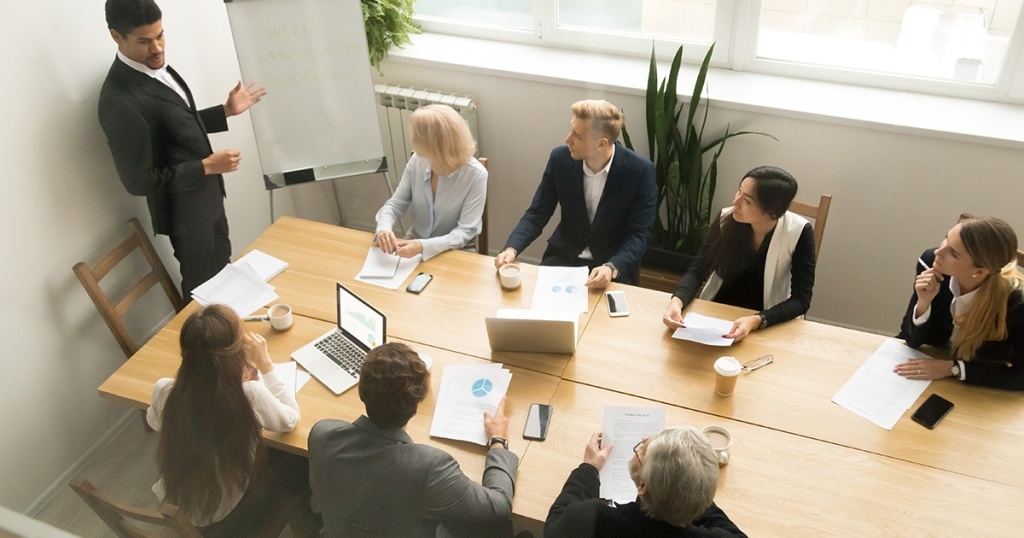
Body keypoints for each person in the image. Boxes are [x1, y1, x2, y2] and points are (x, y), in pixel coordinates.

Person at [100, 0, 266, 298]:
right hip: (185, 217)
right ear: (116, 36)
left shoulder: (157, 65)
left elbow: (172, 126)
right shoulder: (118, 101)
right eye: (144, 41)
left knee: (225, 277)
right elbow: (139, 181)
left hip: (209, 200)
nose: (158, 48)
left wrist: (225, 111)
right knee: (204, 291)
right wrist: (206, 167)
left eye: (161, 35)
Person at [308, 342, 518, 537]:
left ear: (362, 391)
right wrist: (498, 442)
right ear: (419, 399)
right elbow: (499, 506)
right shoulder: (429, 466)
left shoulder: (322, 433)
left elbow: (316, 500)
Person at [146, 304, 319, 536]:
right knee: (302, 460)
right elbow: (290, 419)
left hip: (183, 502)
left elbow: (155, 422)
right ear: (236, 353)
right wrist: (266, 365)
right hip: (230, 517)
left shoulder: (164, 390)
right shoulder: (248, 393)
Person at [494, 100, 657, 288]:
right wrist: (512, 248)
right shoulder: (560, 159)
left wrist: (612, 267)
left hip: (611, 265)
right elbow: (537, 213)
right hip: (563, 258)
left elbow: (639, 234)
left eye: (577, 135)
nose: (567, 139)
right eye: (571, 130)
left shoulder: (640, 171)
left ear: (601, 143)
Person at [663, 166, 815, 342]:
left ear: (771, 212)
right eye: (739, 191)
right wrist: (677, 301)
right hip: (716, 314)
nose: (735, 202)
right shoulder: (725, 219)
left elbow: (801, 300)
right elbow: (697, 271)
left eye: (747, 201)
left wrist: (757, 320)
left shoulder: (799, 232)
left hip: (767, 320)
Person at [895, 216, 1024, 390]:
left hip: (975, 384)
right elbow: (910, 339)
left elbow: (1020, 376)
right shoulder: (930, 265)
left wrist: (953, 368)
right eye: (946, 238)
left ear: (979, 272)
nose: (938, 252)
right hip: (927, 365)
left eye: (953, 253)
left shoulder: (1017, 303)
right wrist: (924, 303)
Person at [545, 428, 746, 537]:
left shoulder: (593, 518)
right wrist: (690, 483)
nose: (641, 446)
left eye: (642, 451)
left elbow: (554, 524)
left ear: (642, 487)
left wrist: (588, 468)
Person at [375, 104, 488, 260]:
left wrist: (423, 246)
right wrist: (383, 228)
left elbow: (466, 231)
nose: (412, 140)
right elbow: (394, 205)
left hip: (455, 251)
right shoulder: (417, 161)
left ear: (434, 144)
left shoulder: (476, 175)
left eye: (417, 137)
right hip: (414, 243)